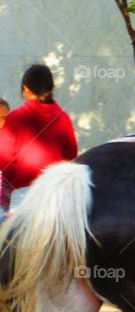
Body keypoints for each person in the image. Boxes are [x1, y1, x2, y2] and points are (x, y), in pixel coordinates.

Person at [0, 65, 78, 213]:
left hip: (19, 198)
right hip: (54, 198)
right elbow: (71, 157)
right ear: (51, 88)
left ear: (26, 89)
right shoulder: (63, 119)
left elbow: (4, 161)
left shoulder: (16, 118)